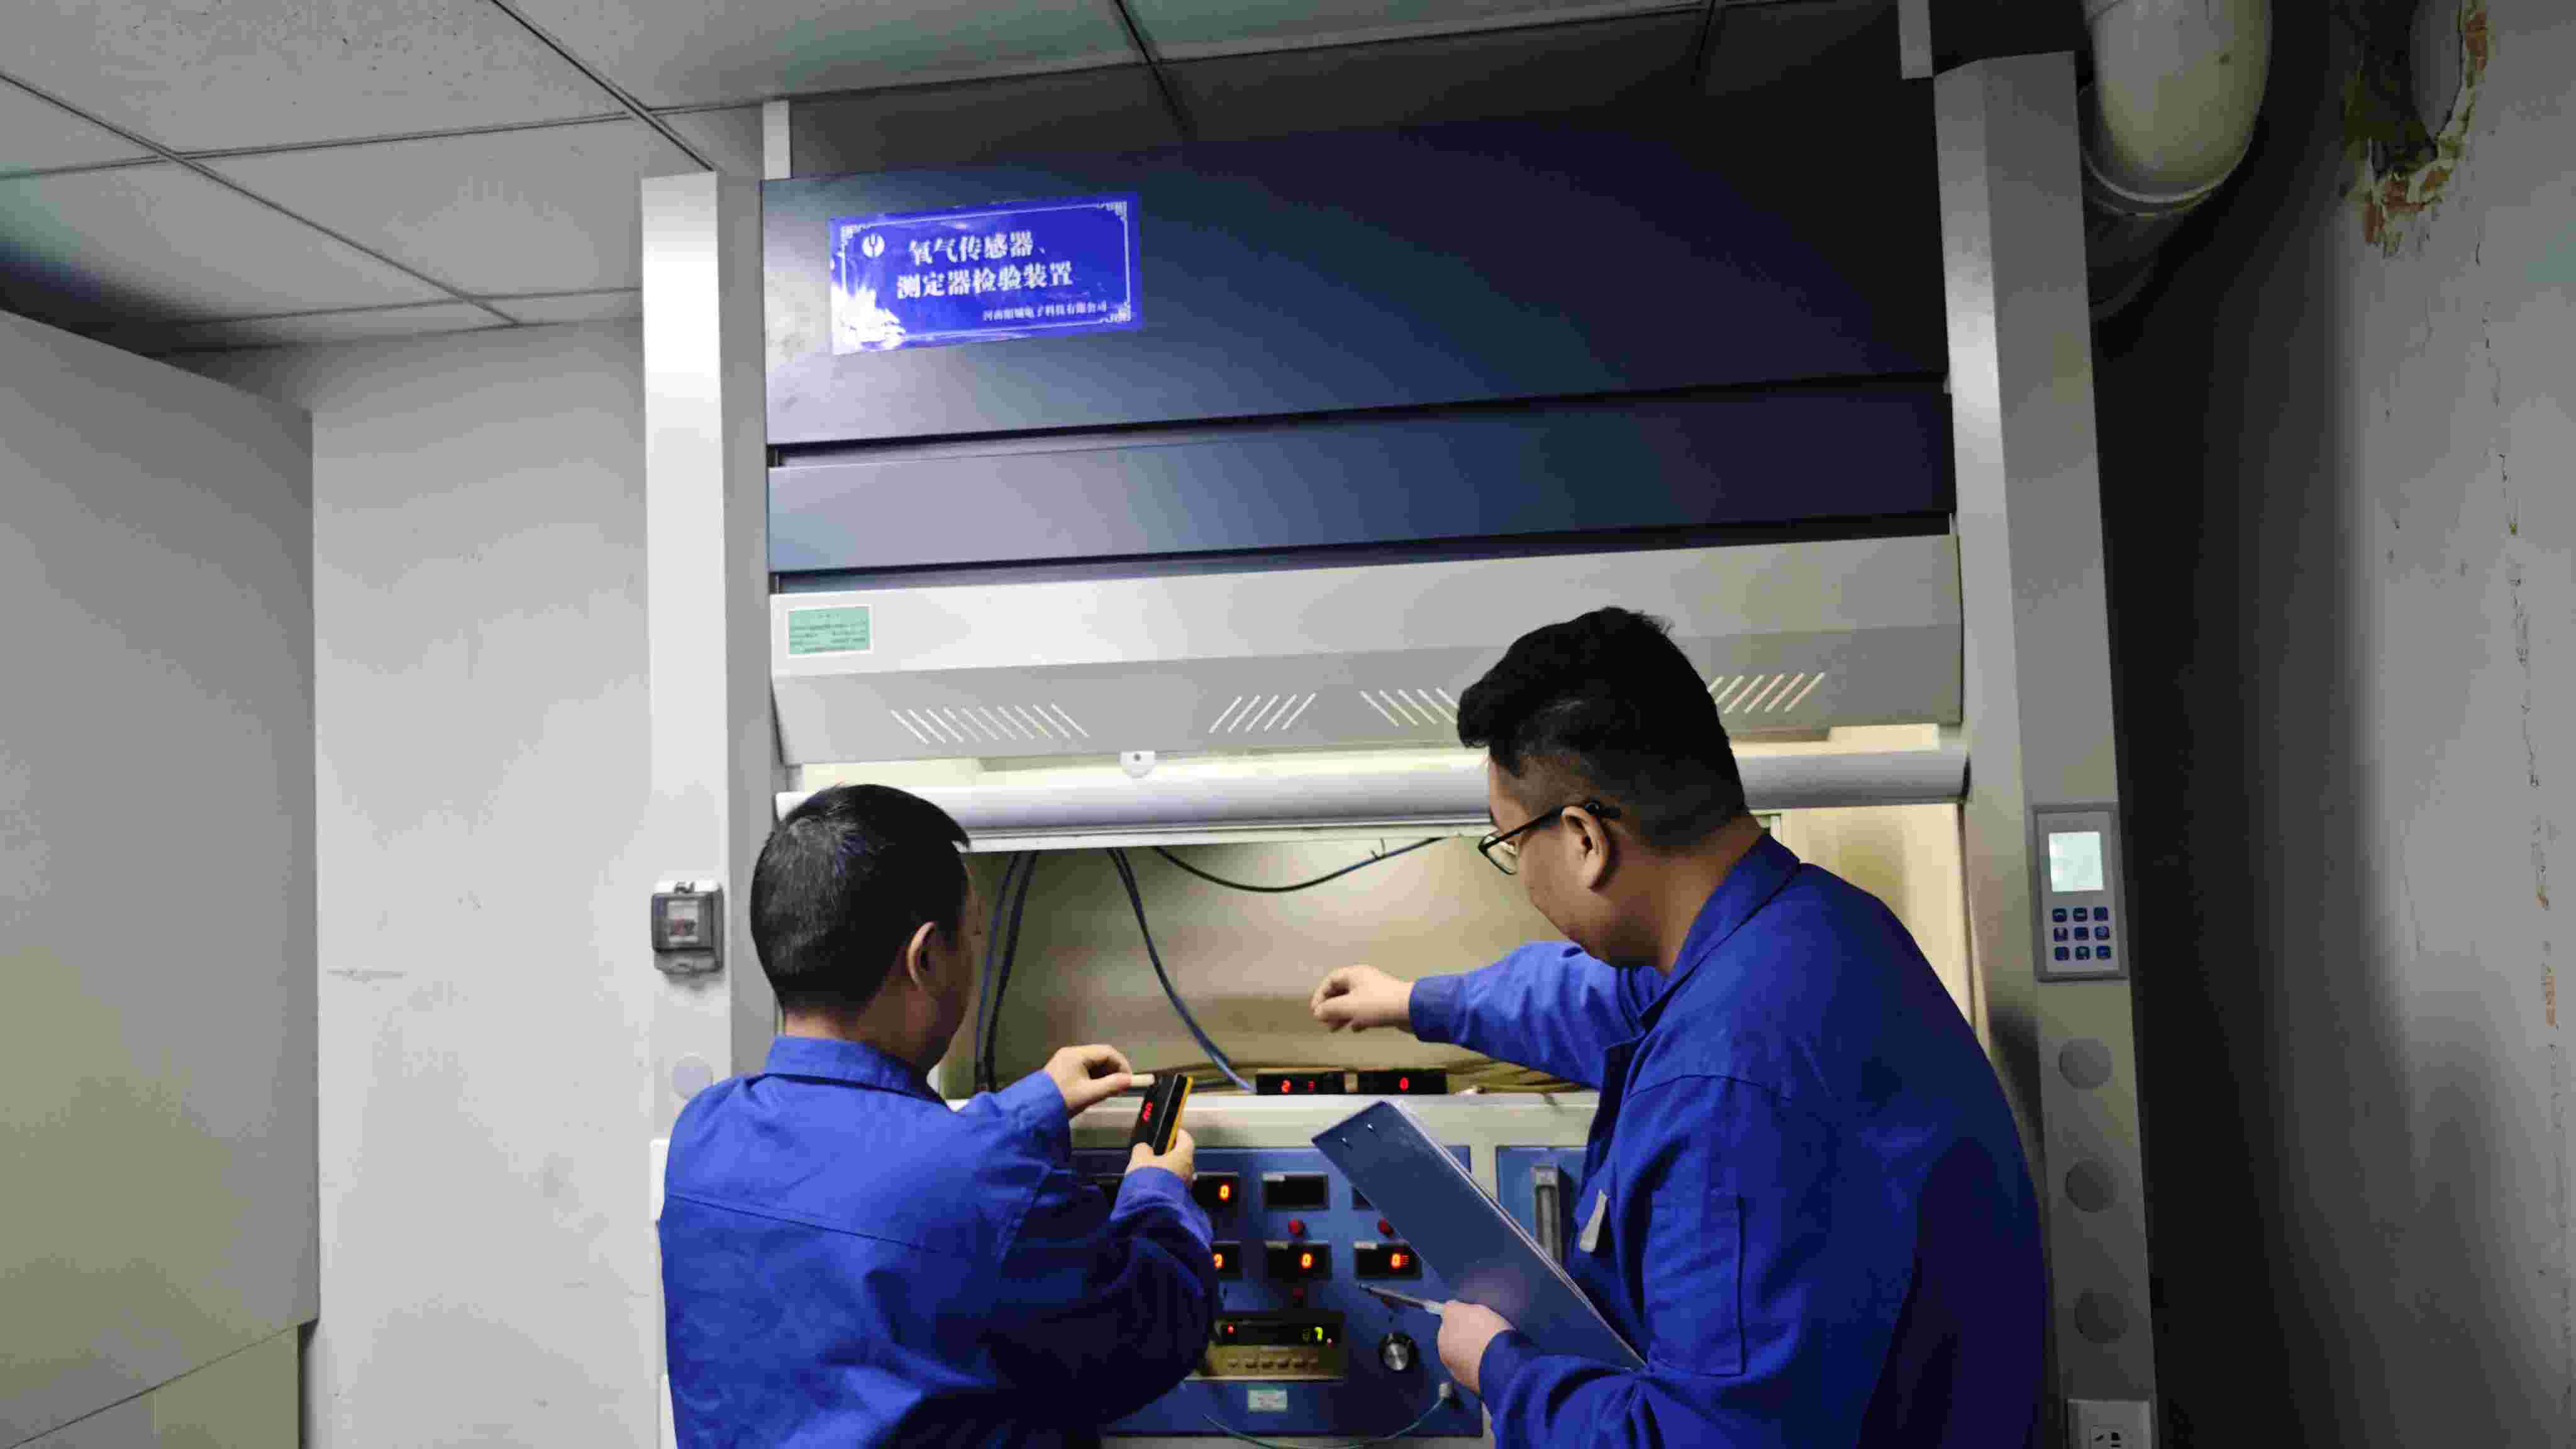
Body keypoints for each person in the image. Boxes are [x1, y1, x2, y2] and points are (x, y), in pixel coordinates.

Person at [1309, 608, 2045, 1447]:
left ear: (1584, 839)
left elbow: (1704, 1439)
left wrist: (1502, 1370)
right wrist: (1416, 1002)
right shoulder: (1812, 929)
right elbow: (1590, 998)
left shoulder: (1728, 1088)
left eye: (1509, 845)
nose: (1520, 873)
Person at [661, 784, 1216, 1446]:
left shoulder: (704, 1133)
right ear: (926, 959)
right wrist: (1157, 1192)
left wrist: (1031, 1105)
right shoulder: (987, 1182)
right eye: (972, 935)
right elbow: (1152, 1335)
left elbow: (882, 1174)